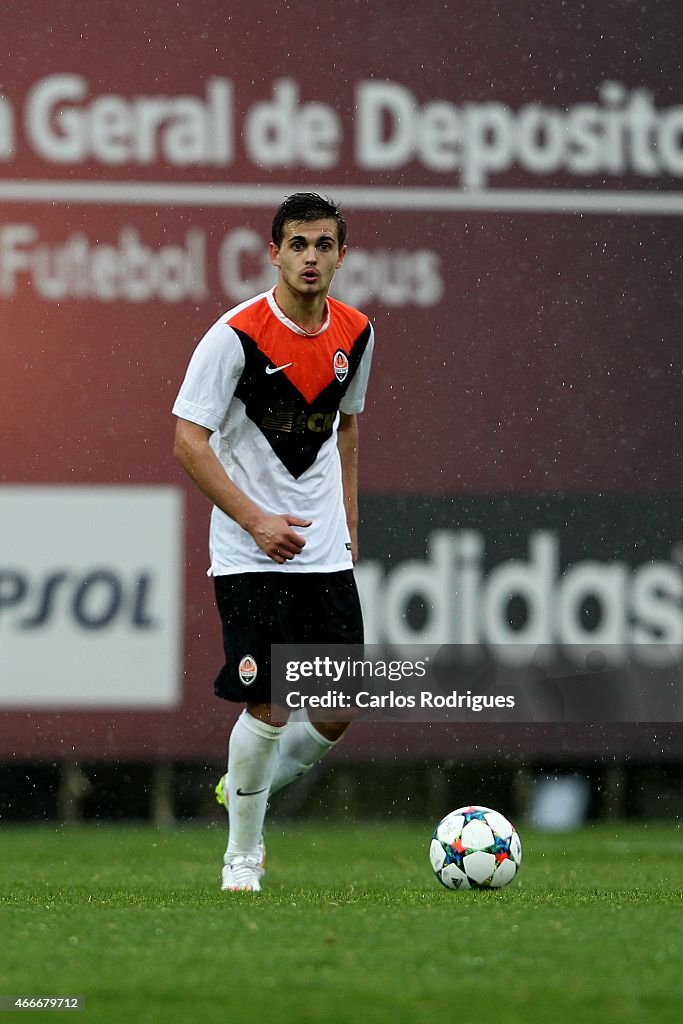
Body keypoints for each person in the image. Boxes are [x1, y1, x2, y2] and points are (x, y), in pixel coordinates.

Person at [172, 193, 374, 892]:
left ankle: (243, 785)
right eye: (298, 245)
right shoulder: (235, 336)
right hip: (249, 551)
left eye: (323, 245)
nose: (310, 258)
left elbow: (345, 426)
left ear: (341, 255)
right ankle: (243, 857)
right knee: (268, 703)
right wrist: (256, 519)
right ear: (274, 252)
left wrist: (347, 515)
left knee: (340, 705)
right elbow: (186, 441)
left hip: (321, 553)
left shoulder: (357, 332)